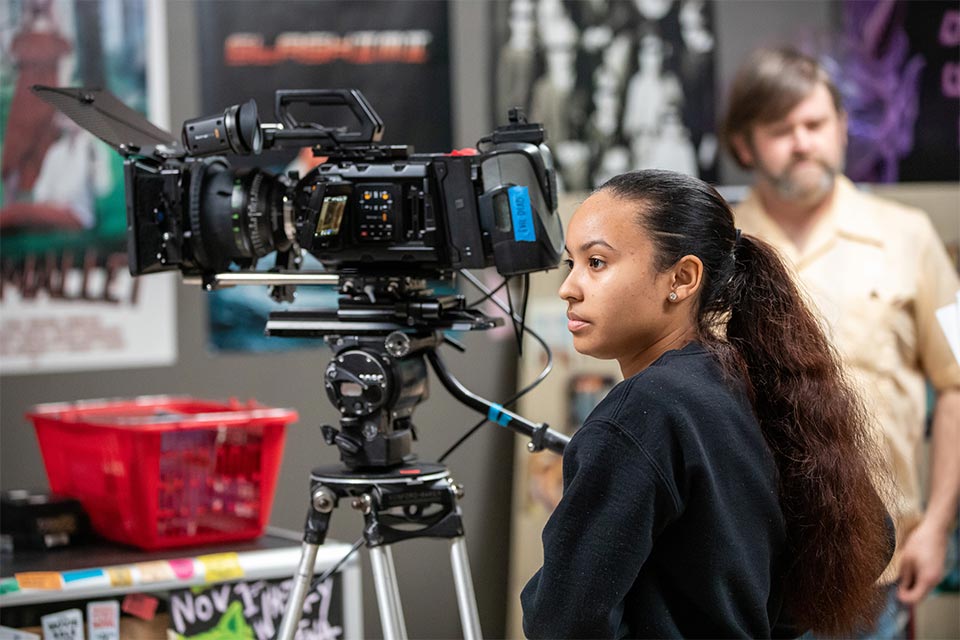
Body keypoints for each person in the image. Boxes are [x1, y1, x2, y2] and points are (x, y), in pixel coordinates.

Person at [521, 169, 894, 638]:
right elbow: (874, 538)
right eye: (570, 264)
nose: (569, 288)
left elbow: (562, 620)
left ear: (682, 277)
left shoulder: (641, 414)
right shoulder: (756, 381)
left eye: (596, 262)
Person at [721, 47, 960, 638]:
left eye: (816, 124)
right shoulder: (714, 249)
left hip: (877, 570)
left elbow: (959, 383)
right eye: (781, 130)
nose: (803, 143)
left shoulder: (912, 236)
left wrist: (936, 527)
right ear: (745, 145)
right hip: (744, 568)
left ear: (843, 129)